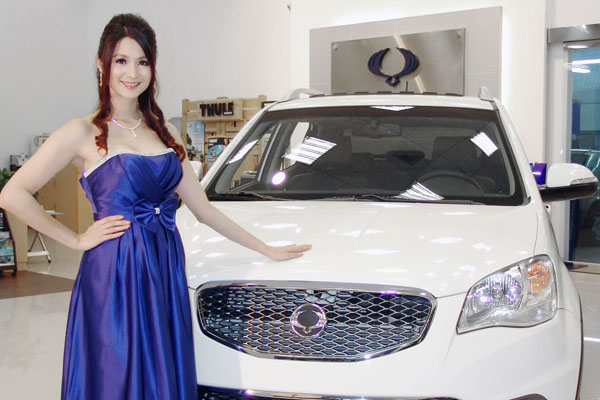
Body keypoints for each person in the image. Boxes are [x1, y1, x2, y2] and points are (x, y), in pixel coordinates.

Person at [0, 13, 311, 400]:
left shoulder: (166, 132)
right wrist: (76, 239)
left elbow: (203, 209)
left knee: (161, 368)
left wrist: (265, 248)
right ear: (102, 65)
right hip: (114, 272)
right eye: (121, 60)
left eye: (142, 62)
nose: (132, 73)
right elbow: (12, 194)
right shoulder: (82, 132)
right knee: (116, 370)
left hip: (164, 267)